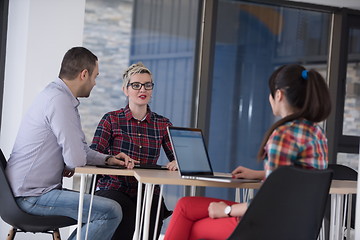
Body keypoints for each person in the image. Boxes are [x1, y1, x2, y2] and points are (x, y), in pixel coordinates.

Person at [164, 64, 332, 240]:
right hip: (297, 225)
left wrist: (227, 211)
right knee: (185, 205)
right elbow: (296, 178)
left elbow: (271, 201)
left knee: (195, 227)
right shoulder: (317, 132)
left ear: (279, 95)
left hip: (268, 226)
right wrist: (259, 174)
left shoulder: (283, 135)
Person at [5, 47, 135, 240]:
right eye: (95, 77)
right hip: (30, 197)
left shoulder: (57, 95)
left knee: (102, 209)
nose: (95, 83)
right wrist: (69, 161)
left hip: (28, 192)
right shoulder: (59, 101)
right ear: (84, 74)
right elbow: (76, 159)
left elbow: (77, 152)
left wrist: (108, 159)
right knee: (110, 211)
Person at [90, 62, 177, 240]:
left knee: (154, 212)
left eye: (147, 85)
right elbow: (93, 155)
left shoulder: (163, 124)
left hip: (147, 191)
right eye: (136, 85)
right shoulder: (111, 120)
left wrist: (178, 161)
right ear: (125, 90)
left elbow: (178, 157)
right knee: (125, 212)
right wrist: (111, 158)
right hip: (114, 188)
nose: (142, 89)